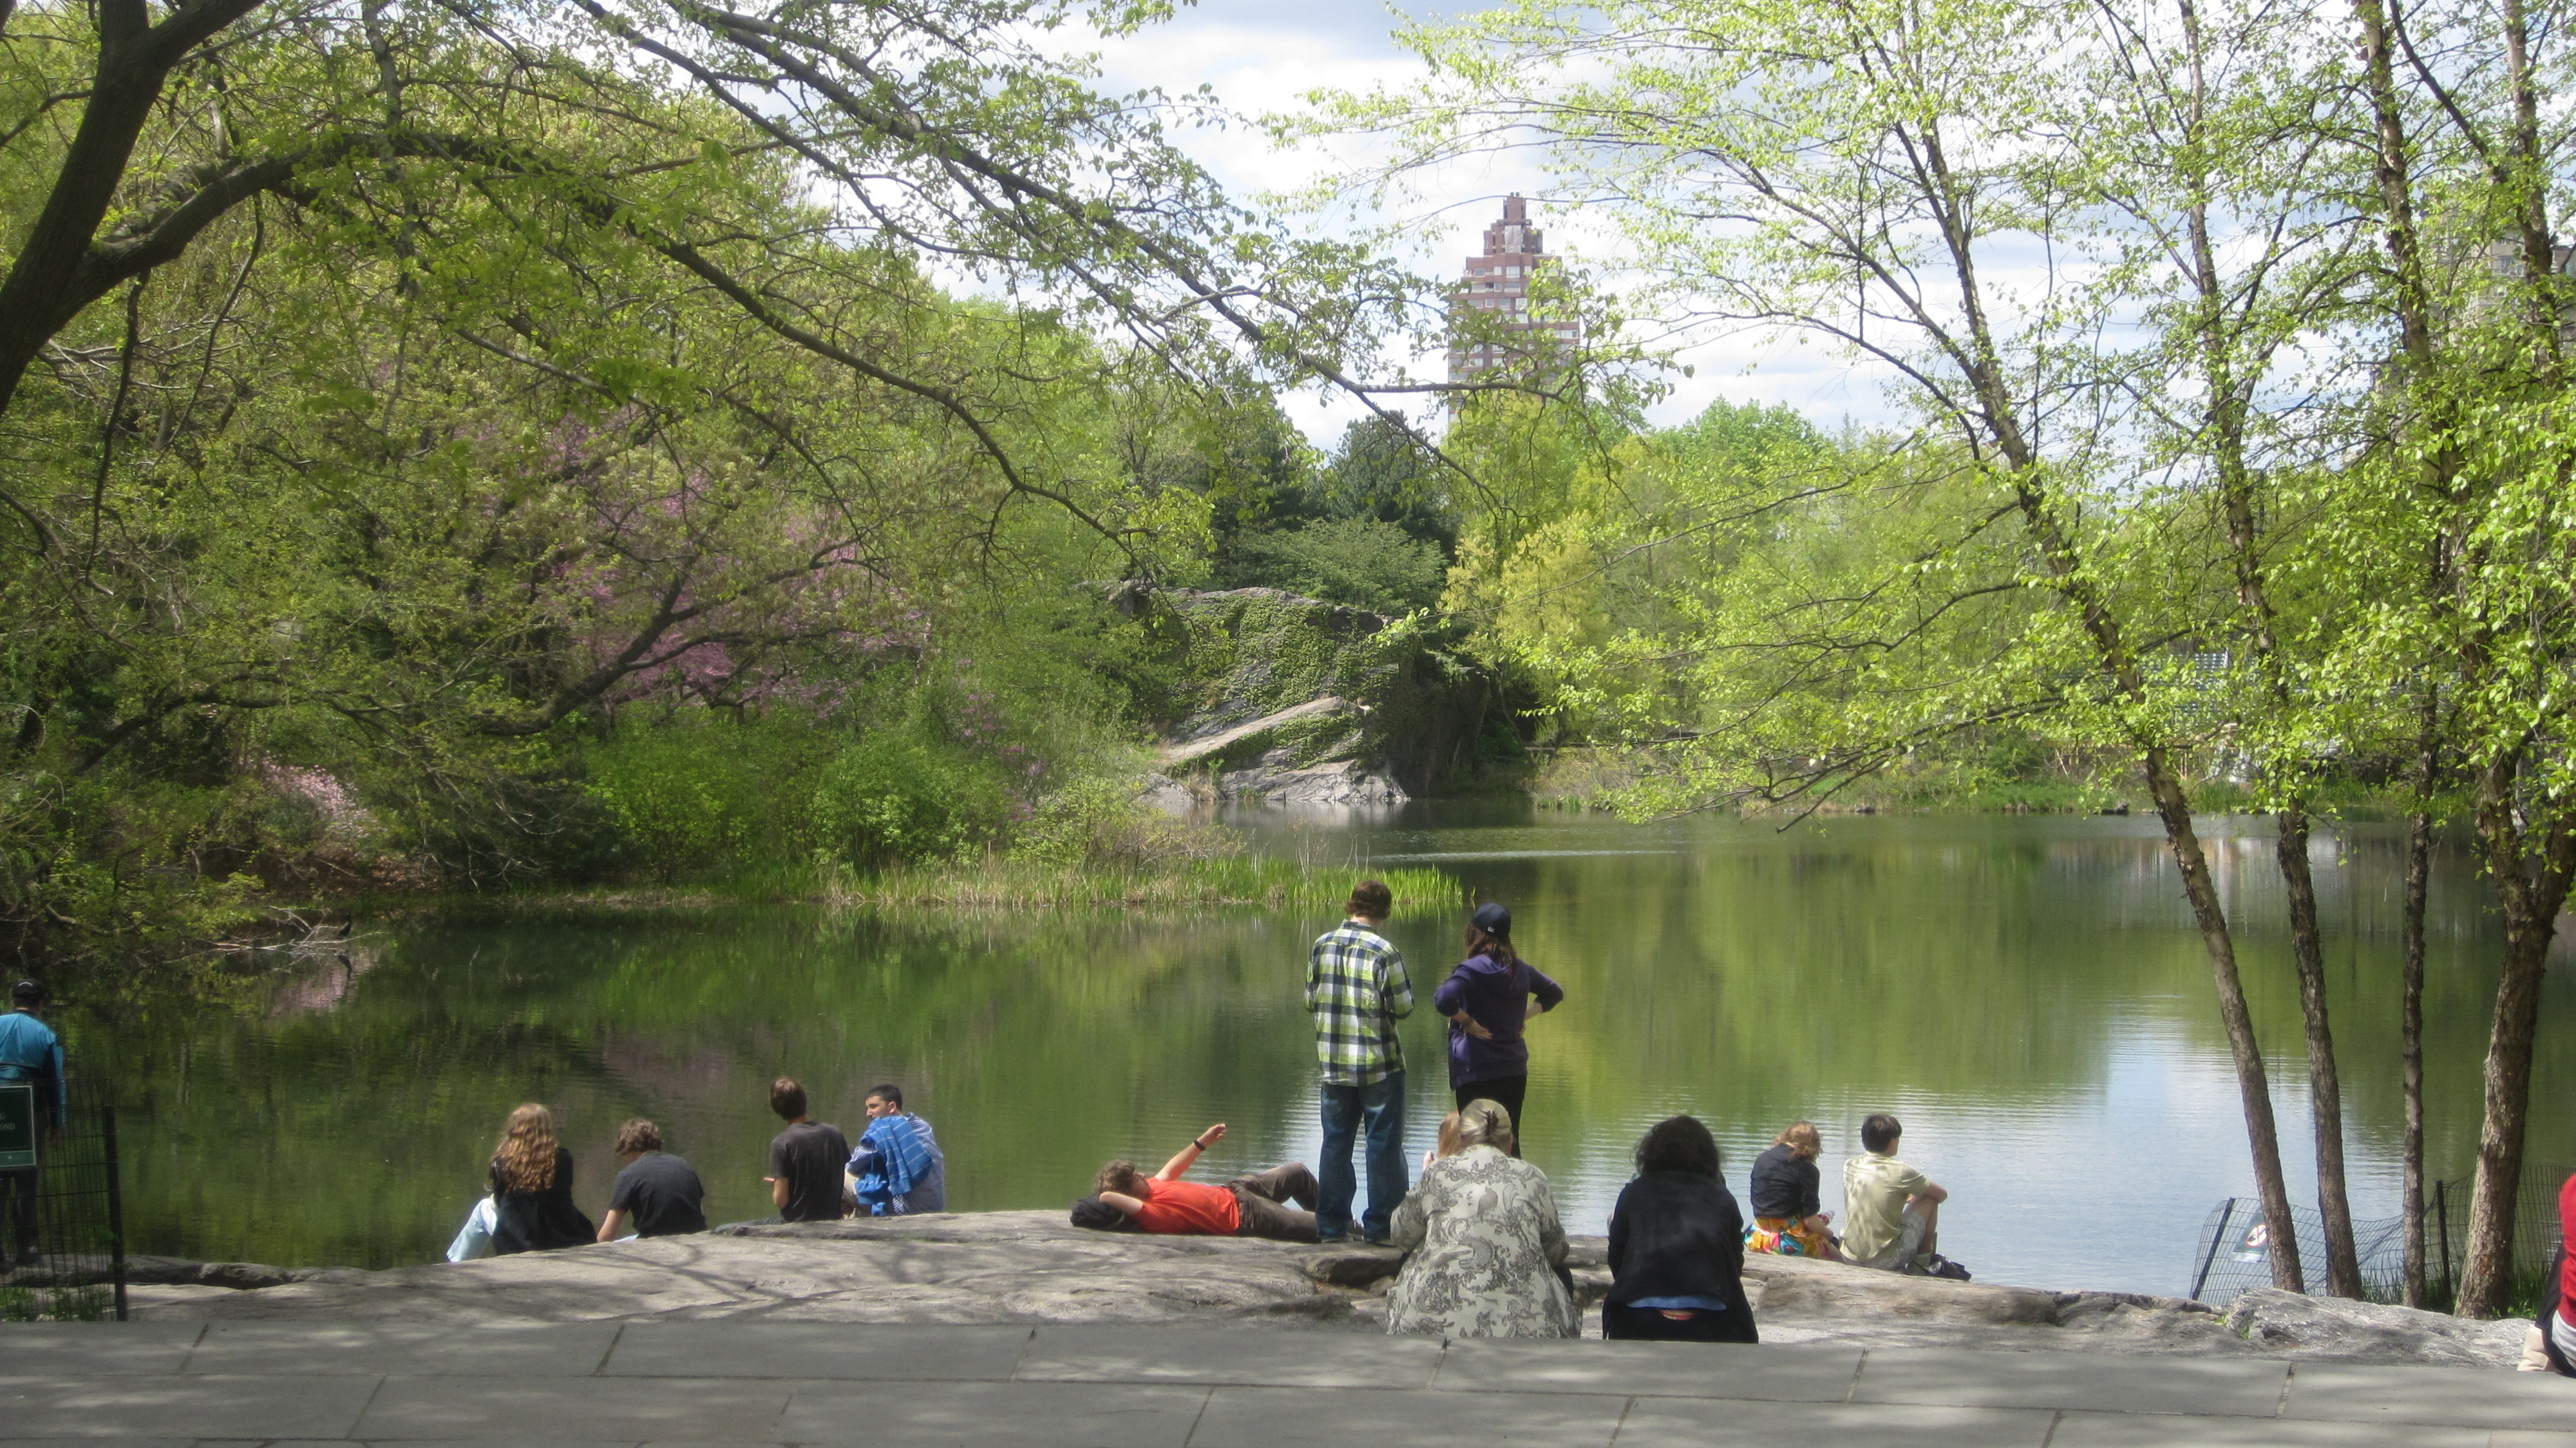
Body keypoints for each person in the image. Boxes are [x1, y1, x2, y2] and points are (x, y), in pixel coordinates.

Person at [1384, 1098, 1578, 1338]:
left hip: (1432, 1325)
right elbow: (1557, 1251)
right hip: (1527, 1331)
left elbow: (1400, 1236)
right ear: (1510, 1143)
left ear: (1463, 1140)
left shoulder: (1437, 1174)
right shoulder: (1533, 1177)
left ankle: (1410, 1320)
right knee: (1561, 1274)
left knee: (1415, 1251)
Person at [1305, 878, 1414, 1244]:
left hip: (1333, 1065)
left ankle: (1332, 1228)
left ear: (1349, 905)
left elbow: (1310, 1000)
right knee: (1383, 1146)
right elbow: (1404, 1007)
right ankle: (1381, 1229)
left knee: (1335, 1144)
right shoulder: (1385, 952)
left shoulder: (1321, 945)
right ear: (1385, 911)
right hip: (1379, 1064)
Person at [1605, 1115, 1758, 1342]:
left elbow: (1617, 1258)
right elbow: (1734, 1263)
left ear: (1649, 1155)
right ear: (1710, 1157)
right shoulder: (1722, 1197)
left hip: (1638, 1319)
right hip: (1712, 1321)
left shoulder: (1634, 1193)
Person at [1433, 902, 1562, 1154]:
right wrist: (1524, 1016)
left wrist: (1467, 1022)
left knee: (1473, 1141)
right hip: (1512, 1070)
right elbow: (1553, 992)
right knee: (1509, 1140)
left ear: (1476, 934)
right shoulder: (1519, 969)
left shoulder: (1470, 970)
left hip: (1475, 1068)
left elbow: (1443, 1000)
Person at [1092, 1122, 1320, 1242]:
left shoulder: (1152, 1187)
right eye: (1135, 1178)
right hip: (1247, 1217)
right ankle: (1347, 1234)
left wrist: (1202, 1142)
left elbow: (1173, 1168)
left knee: (1297, 1172)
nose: (1142, 1175)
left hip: (1236, 1190)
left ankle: (1340, 1225)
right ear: (1128, 1194)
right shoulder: (1152, 1214)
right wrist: (1106, 1194)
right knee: (1327, 1225)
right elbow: (1107, 1197)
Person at [0, 979, 64, 1266]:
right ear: (40, 1004)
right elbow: (54, 1083)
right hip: (29, 1113)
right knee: (27, 1181)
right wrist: (57, 1123)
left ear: (14, 1000)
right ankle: (26, 1248)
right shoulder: (46, 1035)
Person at [1841, 1112, 1949, 1274]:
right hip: (1883, 1261)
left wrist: (1903, 1196)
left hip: (1849, 1257)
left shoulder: (1850, 1165)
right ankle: (1921, 1266)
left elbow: (1874, 1191)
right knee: (1930, 1198)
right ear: (1892, 1141)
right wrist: (1912, 1195)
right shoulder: (1901, 1171)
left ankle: (1920, 1266)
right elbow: (1942, 1194)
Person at [487, 1103, 596, 1253]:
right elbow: (564, 1195)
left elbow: (500, 1200)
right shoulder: (563, 1158)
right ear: (546, 1129)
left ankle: (455, 1262)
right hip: (562, 1235)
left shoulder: (502, 1161)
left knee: (483, 1208)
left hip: (515, 1240)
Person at [596, 1118, 707, 1241]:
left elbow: (607, 1235)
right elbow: (699, 1213)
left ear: (626, 1149)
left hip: (656, 1244)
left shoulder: (628, 1174)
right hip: (696, 1239)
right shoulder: (685, 1166)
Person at [846, 1083, 945, 1216]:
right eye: (867, 1108)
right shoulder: (922, 1126)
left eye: (873, 1107)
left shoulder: (883, 1131)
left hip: (906, 1210)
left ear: (892, 1107)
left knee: (841, 1178)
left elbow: (853, 1166)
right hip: (934, 1206)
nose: (868, 1113)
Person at [1747, 1121, 1839, 1261]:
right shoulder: (1807, 1169)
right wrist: (1831, 1237)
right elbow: (1810, 1222)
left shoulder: (1762, 1158)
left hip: (1758, 1237)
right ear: (1814, 1148)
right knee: (1840, 1259)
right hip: (1787, 1244)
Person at [765, 1077, 852, 1223]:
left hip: (796, 1224)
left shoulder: (782, 1143)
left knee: (725, 1230)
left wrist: (777, 1186)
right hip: (831, 1221)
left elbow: (781, 1201)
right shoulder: (835, 1134)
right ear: (803, 1100)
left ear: (777, 1108)